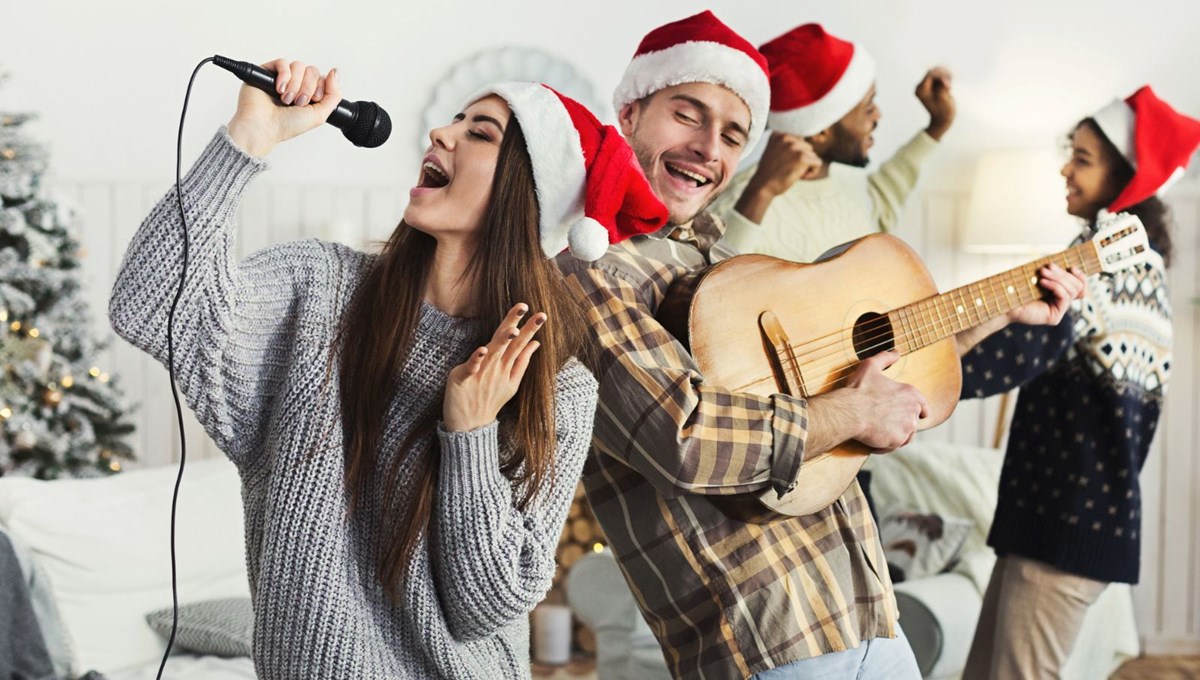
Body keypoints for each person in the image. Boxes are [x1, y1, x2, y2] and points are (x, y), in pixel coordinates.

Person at [554, 12, 1085, 680]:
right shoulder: (587, 272)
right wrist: (852, 414)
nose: (708, 146)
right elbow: (686, 435)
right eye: (687, 114)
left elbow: (852, 367)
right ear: (629, 112)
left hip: (861, 605)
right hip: (764, 638)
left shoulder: (711, 259)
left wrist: (1000, 313)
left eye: (733, 132)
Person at [109, 60, 668, 679]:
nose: (441, 134)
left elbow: (490, 604)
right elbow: (150, 303)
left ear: (527, 195)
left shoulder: (555, 384)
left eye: (479, 132)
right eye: (453, 118)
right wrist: (248, 139)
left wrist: (471, 435)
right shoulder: (319, 293)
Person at [957, 86, 1200, 680]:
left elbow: (1016, 352)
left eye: (1083, 158)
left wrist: (912, 375)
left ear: (1124, 178)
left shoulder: (1108, 260)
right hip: (1053, 520)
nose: (1066, 168)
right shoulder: (1128, 259)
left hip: (1065, 525)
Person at [711, 23, 955, 263]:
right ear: (820, 132)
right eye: (868, 107)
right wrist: (760, 193)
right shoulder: (742, 205)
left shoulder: (850, 182)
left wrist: (937, 126)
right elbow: (719, 284)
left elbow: (884, 198)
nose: (878, 115)